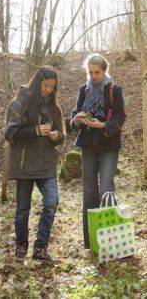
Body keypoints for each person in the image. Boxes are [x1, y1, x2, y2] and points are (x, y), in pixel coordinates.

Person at [4, 67, 65, 262]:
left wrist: (57, 137)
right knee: (23, 209)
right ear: (37, 82)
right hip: (25, 165)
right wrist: (36, 131)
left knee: (51, 202)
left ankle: (40, 248)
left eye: (52, 87)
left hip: (47, 165)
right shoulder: (18, 104)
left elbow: (62, 136)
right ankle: (21, 246)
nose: (48, 90)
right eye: (46, 85)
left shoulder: (54, 108)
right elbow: (10, 134)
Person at [70, 53, 126, 249]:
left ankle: (111, 241)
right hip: (88, 144)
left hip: (109, 144)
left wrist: (104, 125)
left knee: (106, 189)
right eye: (90, 72)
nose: (93, 76)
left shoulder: (114, 90)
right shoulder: (83, 90)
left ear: (104, 71)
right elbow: (75, 114)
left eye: (97, 72)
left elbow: (120, 117)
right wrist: (76, 119)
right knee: (90, 191)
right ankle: (91, 242)